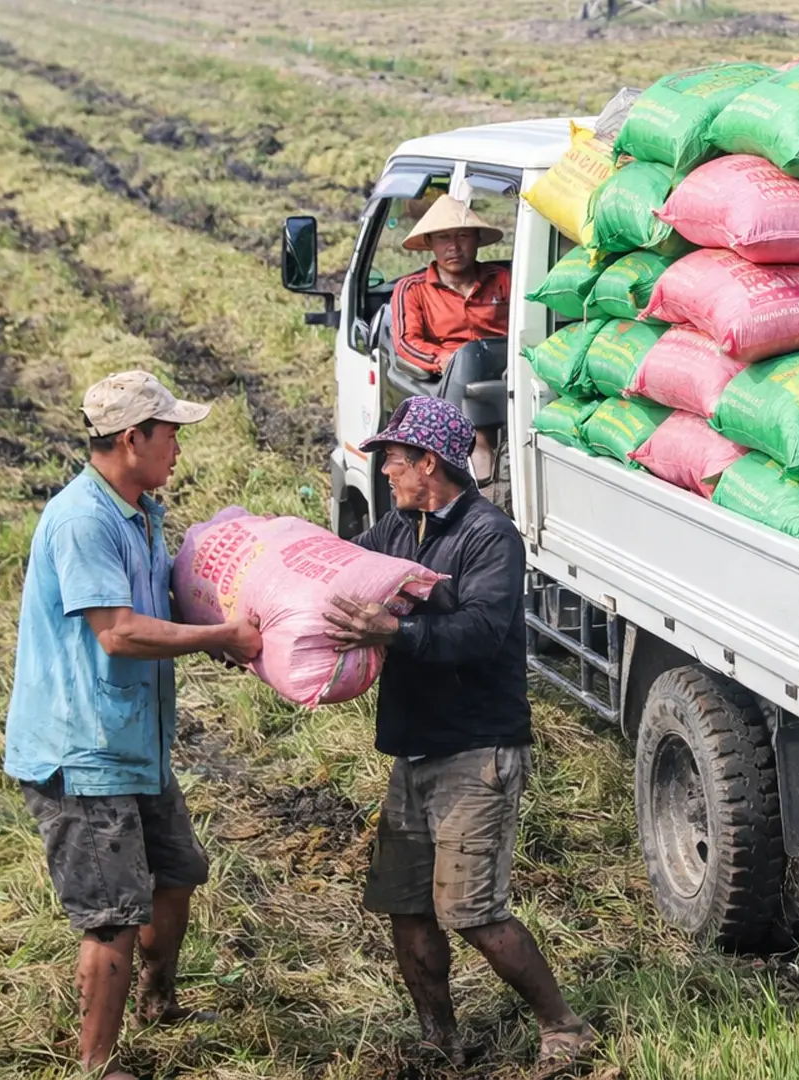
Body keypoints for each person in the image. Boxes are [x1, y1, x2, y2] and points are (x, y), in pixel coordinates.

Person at [3, 371, 262, 1080]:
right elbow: (117, 632)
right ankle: (97, 1064)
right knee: (112, 914)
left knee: (176, 874)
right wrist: (219, 637)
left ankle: (158, 999)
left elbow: (156, 611)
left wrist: (222, 633)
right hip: (82, 752)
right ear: (131, 439)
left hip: (134, 741)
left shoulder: (141, 513)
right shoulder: (83, 520)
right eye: (170, 435)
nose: (178, 449)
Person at [322, 396, 594, 1071]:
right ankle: (438, 1038)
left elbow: (481, 631)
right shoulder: (397, 527)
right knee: (406, 906)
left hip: (477, 750)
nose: (385, 469)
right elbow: (339, 568)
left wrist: (396, 631)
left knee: (472, 911)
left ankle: (563, 1026)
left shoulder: (488, 535)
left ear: (430, 463)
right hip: (413, 747)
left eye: (394, 458)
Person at [390, 195, 510, 491]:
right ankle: (480, 477)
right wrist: (446, 358)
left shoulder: (504, 280)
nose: (454, 247)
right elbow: (407, 342)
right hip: (451, 386)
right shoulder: (412, 289)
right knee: (466, 361)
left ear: (477, 239)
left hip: (506, 374)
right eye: (444, 238)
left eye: (463, 236)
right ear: (430, 243)